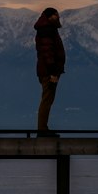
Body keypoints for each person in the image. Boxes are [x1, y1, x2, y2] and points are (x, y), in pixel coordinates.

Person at [35, 7, 66, 137]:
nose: (58, 17)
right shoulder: (47, 31)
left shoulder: (48, 30)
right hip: (49, 72)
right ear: (49, 17)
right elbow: (48, 53)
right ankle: (42, 130)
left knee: (47, 100)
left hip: (48, 71)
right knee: (47, 100)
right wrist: (53, 72)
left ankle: (43, 128)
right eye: (55, 15)